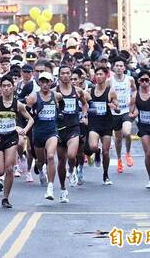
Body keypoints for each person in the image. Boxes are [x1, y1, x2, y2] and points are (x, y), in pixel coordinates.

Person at [0, 76, 33, 208]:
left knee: (9, 169)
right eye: (3, 85)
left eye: (8, 85)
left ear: (13, 87)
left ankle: (5, 198)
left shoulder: (18, 104)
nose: (5, 88)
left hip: (11, 138)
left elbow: (31, 119)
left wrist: (24, 130)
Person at [25, 71, 62, 201]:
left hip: (52, 131)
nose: (45, 85)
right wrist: (33, 114)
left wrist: (60, 115)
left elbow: (62, 104)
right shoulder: (33, 97)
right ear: (39, 83)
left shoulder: (56, 96)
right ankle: (41, 170)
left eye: (48, 82)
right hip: (38, 132)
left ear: (51, 83)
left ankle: (50, 187)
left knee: (51, 157)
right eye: (43, 82)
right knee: (41, 161)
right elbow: (25, 113)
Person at [54, 65, 88, 203]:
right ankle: (63, 189)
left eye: (68, 73)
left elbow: (85, 104)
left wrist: (84, 115)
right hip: (59, 128)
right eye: (63, 73)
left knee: (72, 155)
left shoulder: (78, 91)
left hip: (74, 127)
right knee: (61, 160)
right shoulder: (54, 92)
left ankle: (72, 169)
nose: (66, 76)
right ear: (59, 76)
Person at [85, 66, 118, 185]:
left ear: (106, 76)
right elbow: (84, 104)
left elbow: (117, 105)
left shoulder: (111, 91)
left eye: (101, 74)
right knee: (93, 146)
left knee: (106, 152)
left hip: (107, 124)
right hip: (94, 123)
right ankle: (96, 152)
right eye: (96, 74)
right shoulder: (90, 91)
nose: (98, 77)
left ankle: (106, 174)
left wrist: (115, 107)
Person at [110, 57, 136, 174]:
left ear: (124, 68)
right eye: (117, 66)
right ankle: (119, 159)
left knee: (127, 132)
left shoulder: (129, 79)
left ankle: (128, 154)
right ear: (114, 68)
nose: (119, 68)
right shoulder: (109, 81)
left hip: (126, 110)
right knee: (118, 138)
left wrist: (133, 101)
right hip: (115, 112)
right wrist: (111, 104)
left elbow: (135, 91)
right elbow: (106, 95)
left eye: (121, 66)